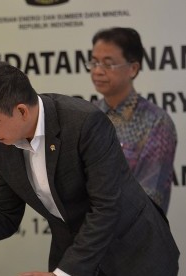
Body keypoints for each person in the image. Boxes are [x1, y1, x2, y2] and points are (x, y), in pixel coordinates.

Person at [0, 62, 180, 276]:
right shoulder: (1, 144)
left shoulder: (85, 123)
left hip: (134, 252)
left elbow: (106, 208)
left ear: (21, 111)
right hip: (74, 253)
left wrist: (63, 273)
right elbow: (5, 214)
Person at [87, 27, 177, 214]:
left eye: (108, 64)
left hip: (135, 237)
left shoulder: (155, 122)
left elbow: (150, 197)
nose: (97, 71)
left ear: (133, 68)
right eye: (94, 62)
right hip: (86, 234)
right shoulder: (87, 115)